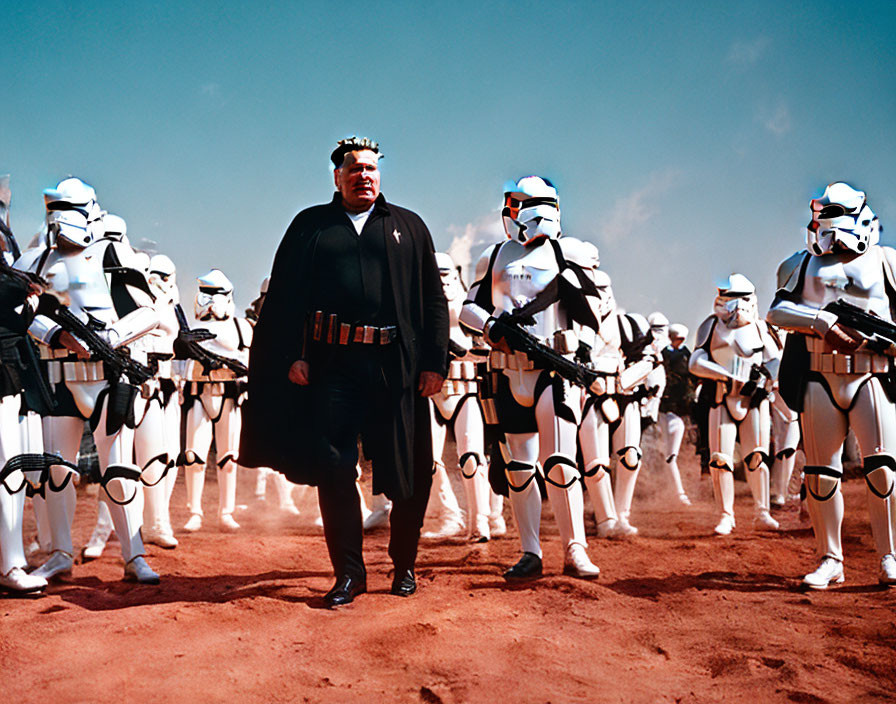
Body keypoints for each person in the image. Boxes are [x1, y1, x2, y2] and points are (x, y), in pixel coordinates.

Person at [239, 137, 449, 606]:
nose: (364, 175)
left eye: (371, 167)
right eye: (353, 168)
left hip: (396, 367)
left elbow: (434, 301)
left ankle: (404, 565)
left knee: (409, 470)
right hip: (332, 367)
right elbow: (286, 297)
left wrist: (436, 362)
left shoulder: (409, 227)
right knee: (334, 470)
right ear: (337, 176)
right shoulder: (310, 227)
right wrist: (292, 354)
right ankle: (349, 575)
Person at [17, 178, 161, 584]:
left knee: (117, 467)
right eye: (54, 207)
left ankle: (134, 556)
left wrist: (109, 339)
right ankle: (60, 552)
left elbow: (147, 310)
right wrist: (56, 335)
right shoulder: (37, 260)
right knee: (57, 470)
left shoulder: (112, 252)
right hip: (58, 377)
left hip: (108, 375)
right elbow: (15, 309)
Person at [460, 175, 601, 580]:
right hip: (507, 373)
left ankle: (575, 548)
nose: (511, 213)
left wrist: (577, 345)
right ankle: (530, 551)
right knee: (519, 469)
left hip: (551, 372)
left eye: (518, 204)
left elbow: (591, 310)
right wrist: (491, 327)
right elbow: (469, 307)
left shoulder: (566, 252)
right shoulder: (495, 255)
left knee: (559, 463)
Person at [768, 182, 896, 588]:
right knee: (821, 475)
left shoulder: (886, 261)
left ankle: (890, 556)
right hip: (819, 376)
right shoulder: (800, 264)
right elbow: (777, 311)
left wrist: (884, 339)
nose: (823, 226)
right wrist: (821, 321)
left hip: (873, 373)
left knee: (883, 471)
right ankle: (830, 558)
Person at [689, 274, 781, 536]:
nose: (731, 304)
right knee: (720, 459)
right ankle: (726, 514)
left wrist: (763, 380)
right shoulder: (710, 326)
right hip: (721, 395)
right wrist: (725, 374)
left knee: (757, 457)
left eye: (736, 298)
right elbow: (695, 361)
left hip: (754, 399)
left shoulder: (761, 328)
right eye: (727, 297)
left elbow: (776, 361)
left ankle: (762, 512)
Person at [180, 269, 252, 533]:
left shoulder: (240, 327)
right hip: (198, 393)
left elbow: (248, 360)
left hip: (230, 395)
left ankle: (226, 511)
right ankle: (195, 511)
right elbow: (179, 362)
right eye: (205, 293)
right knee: (193, 457)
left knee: (229, 457)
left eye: (215, 294)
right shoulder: (188, 325)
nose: (209, 299)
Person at [658, 323, 694, 505]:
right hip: (664, 410)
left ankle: (678, 492)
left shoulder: (686, 356)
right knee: (669, 454)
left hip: (675, 411)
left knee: (670, 454)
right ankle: (676, 492)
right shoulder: (664, 355)